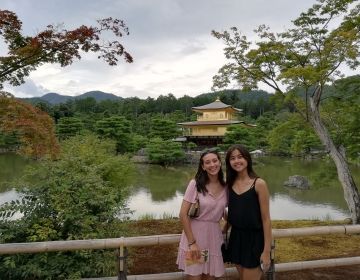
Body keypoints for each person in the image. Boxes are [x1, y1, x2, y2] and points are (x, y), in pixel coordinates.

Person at [177, 148, 227, 280]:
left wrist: (227, 226)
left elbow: (223, 210)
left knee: (209, 277)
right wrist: (192, 243)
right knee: (195, 276)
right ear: (203, 166)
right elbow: (183, 214)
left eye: (215, 161)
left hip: (214, 238)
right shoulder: (195, 184)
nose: (212, 165)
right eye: (208, 162)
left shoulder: (225, 186)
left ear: (220, 162)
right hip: (196, 237)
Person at [225, 144, 272, 280]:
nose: (237, 161)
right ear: (229, 162)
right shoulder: (229, 184)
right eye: (232, 158)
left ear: (247, 159)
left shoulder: (259, 184)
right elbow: (233, 210)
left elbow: (266, 219)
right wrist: (225, 226)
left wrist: (266, 251)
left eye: (240, 157)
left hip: (255, 239)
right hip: (236, 237)